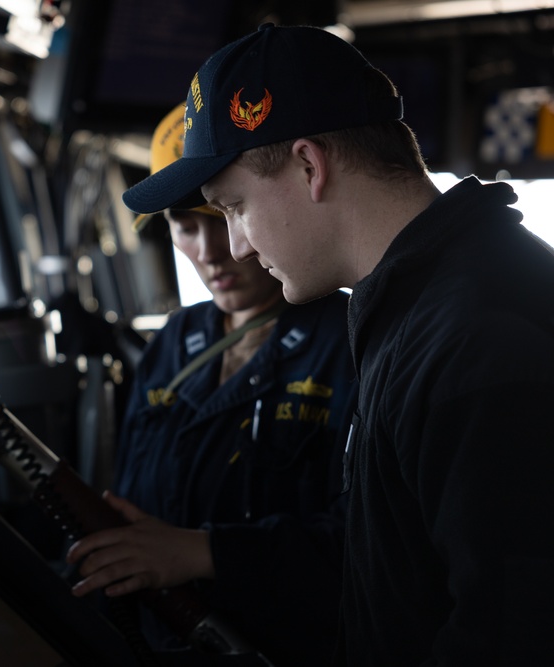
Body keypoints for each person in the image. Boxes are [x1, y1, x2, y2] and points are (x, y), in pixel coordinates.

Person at [121, 22, 554, 667]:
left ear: (308, 165)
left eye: (234, 207)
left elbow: (517, 630)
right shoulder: (419, 309)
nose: (234, 245)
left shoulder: (475, 335)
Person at [65, 102, 357, 666]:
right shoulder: (173, 342)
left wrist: (205, 552)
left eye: (225, 214)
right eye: (184, 225)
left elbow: (370, 543)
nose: (210, 251)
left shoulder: (348, 337)